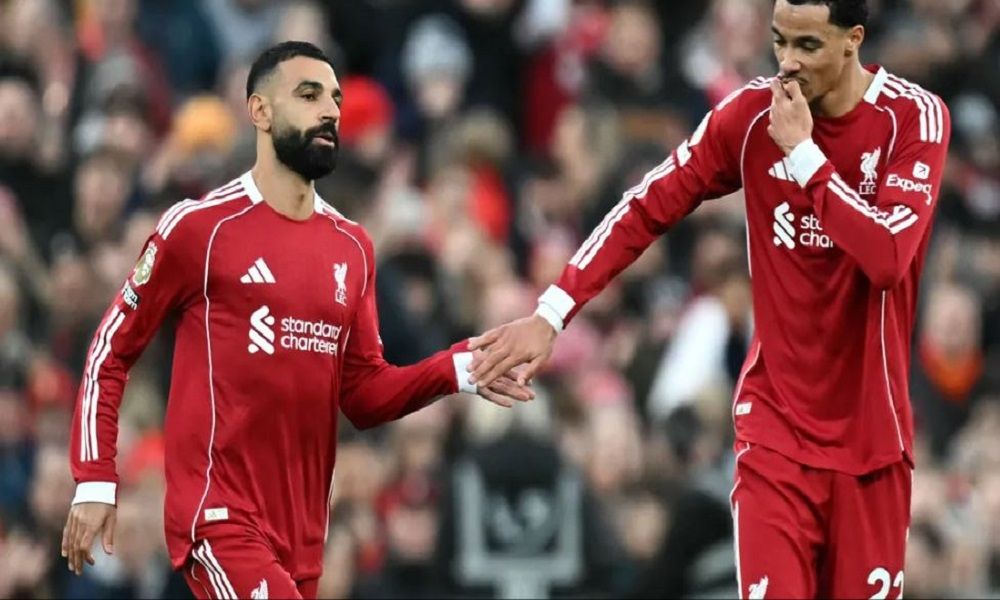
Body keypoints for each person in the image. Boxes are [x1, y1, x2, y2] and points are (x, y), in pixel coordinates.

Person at [468, 0, 951, 597]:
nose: (788, 63)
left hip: (872, 445)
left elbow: (886, 258)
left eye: (807, 46)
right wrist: (552, 312)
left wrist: (804, 156)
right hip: (775, 438)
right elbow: (646, 205)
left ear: (853, 39)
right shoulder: (751, 118)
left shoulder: (913, 118)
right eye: (779, 41)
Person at [60, 41, 532, 600]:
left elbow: (363, 394)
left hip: (303, 534)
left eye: (334, 99)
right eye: (309, 96)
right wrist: (95, 478)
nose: (329, 111)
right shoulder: (199, 229)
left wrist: (455, 370)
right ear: (259, 111)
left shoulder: (352, 247)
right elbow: (110, 351)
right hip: (219, 516)